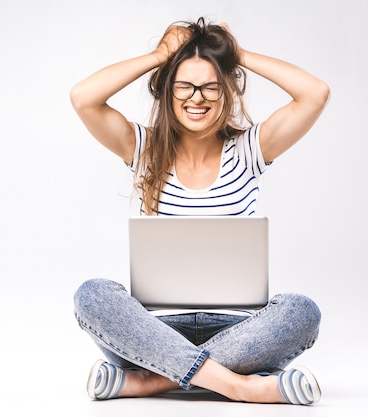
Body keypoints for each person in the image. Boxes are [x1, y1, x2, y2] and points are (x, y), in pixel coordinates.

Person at [70, 18, 330, 405]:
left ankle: (149, 381)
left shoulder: (250, 149)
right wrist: (160, 55)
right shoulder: (143, 148)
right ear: (167, 92)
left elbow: (315, 93)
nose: (198, 97)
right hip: (154, 331)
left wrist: (234, 53)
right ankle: (238, 386)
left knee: (301, 312)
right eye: (185, 86)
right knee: (92, 295)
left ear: (226, 90)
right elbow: (83, 97)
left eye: (210, 86)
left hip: (238, 329)